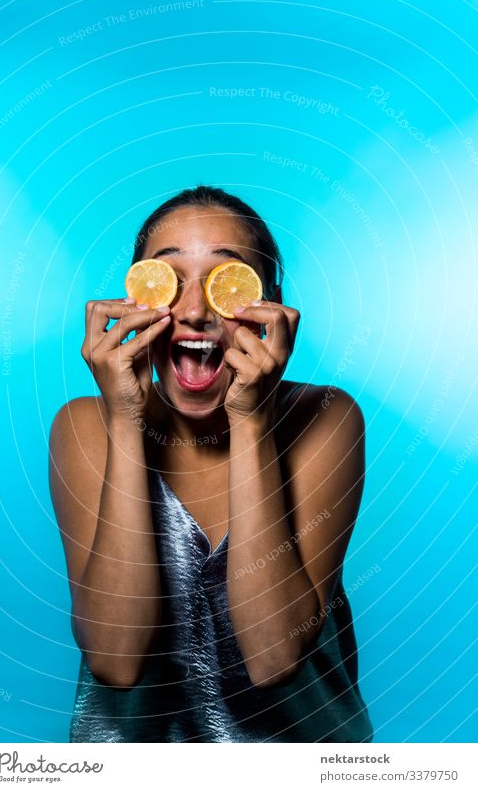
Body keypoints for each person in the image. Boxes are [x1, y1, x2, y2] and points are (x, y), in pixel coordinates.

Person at [48, 185, 374, 743]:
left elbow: (274, 657)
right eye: (167, 281)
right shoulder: (86, 426)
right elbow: (115, 661)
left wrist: (250, 419)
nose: (195, 311)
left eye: (227, 283)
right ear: (133, 302)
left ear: (275, 306)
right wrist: (127, 420)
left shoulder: (326, 416)